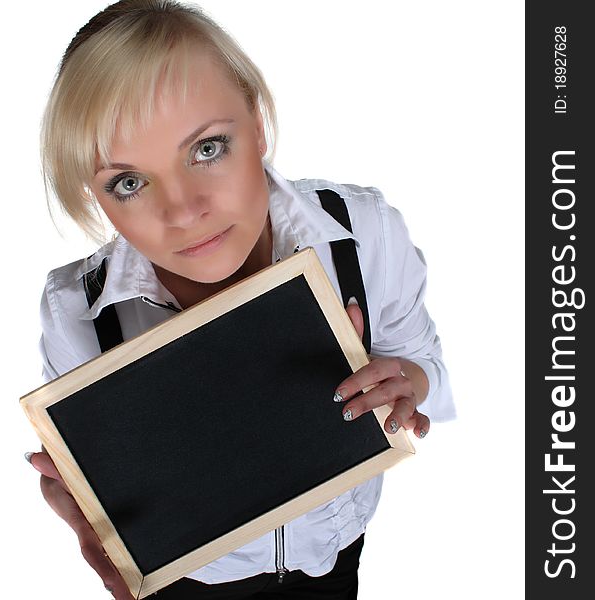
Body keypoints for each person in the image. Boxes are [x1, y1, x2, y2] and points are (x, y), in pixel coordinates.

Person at [25, 1, 455, 598]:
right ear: (96, 195)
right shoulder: (78, 312)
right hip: (194, 583)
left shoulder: (363, 232)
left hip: (334, 561)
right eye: (129, 182)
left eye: (207, 148)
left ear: (256, 121)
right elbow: (98, 491)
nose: (182, 210)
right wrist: (86, 516)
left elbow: (423, 359)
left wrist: (404, 379)